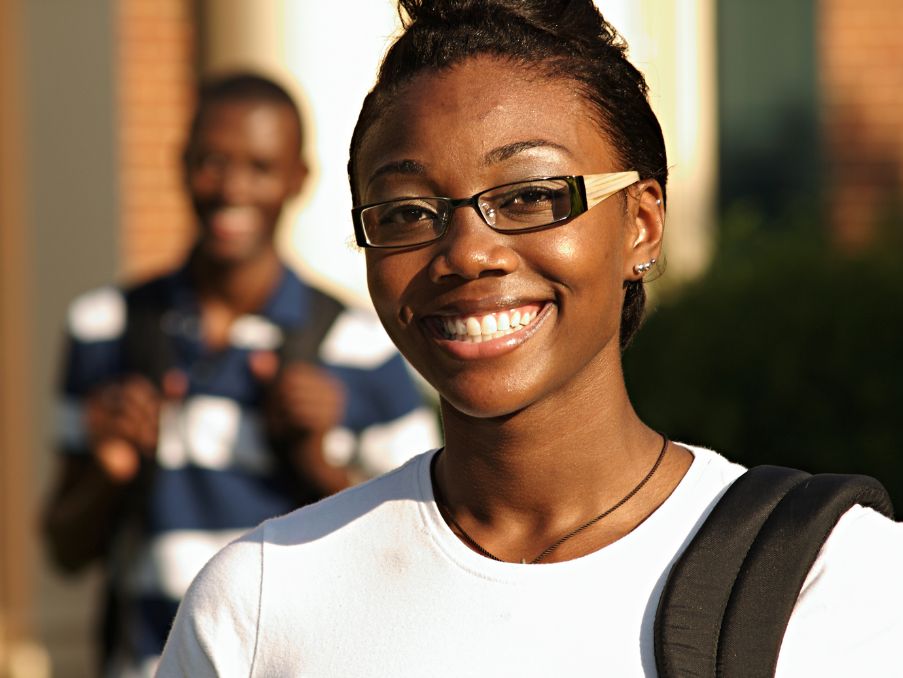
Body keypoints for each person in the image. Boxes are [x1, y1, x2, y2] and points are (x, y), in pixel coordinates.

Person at [157, 3, 903, 676]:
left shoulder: (829, 579)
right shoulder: (260, 601)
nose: (466, 253)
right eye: (407, 212)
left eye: (528, 197)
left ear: (640, 223)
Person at [42, 73, 440, 677]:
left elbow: (421, 554)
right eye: (211, 162)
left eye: (259, 166)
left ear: (298, 179)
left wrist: (317, 463)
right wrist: (109, 469)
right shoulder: (104, 328)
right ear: (180, 164)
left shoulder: (364, 343)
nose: (231, 188)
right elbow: (65, 550)